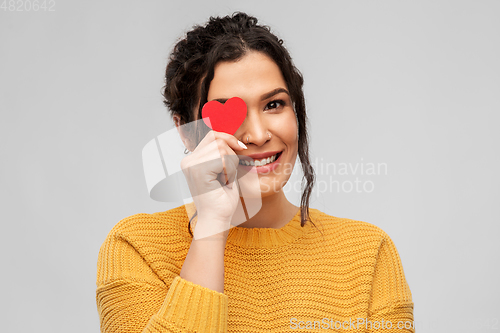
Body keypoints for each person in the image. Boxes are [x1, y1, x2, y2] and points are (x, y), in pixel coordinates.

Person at [96, 12, 414, 332]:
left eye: (273, 105)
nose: (258, 134)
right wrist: (211, 227)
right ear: (184, 129)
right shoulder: (135, 248)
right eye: (228, 112)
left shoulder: (369, 253)